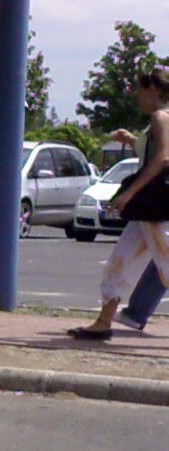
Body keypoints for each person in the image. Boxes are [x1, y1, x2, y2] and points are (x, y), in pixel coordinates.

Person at [70, 66, 169, 339]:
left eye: (140, 90)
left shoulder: (161, 117)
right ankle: (104, 322)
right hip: (150, 210)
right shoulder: (159, 120)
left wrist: (128, 193)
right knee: (120, 261)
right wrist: (132, 140)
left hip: (157, 208)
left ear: (153, 90)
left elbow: (161, 159)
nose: (137, 96)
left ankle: (105, 322)